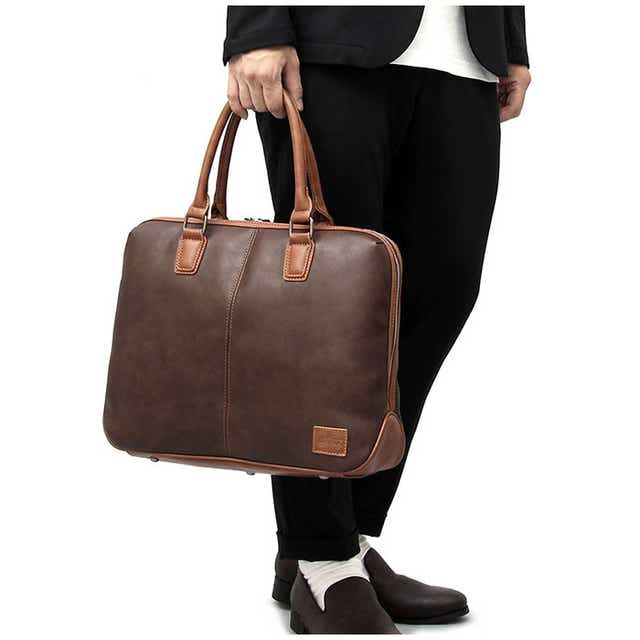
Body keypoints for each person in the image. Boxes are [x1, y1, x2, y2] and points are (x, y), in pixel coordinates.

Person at [224, 5, 530, 634]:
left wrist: (511, 37)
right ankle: (322, 555)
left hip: (464, 55)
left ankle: (344, 541)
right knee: (325, 309)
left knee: (441, 289)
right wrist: (256, 27)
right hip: (329, 46)